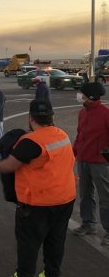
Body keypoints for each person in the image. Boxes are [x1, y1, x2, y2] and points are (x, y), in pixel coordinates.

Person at [0, 100, 76, 277]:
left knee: (28, 246)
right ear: (52, 117)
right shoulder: (62, 134)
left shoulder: (30, 142)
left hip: (38, 205)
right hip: (65, 199)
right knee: (55, 242)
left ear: (31, 118)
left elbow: (9, 166)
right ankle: (51, 273)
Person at [72, 82, 109, 246]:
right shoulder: (82, 113)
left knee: (105, 197)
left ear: (92, 97)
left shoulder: (105, 114)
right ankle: (88, 223)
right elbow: (80, 135)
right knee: (85, 194)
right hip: (83, 160)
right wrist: (74, 152)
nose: (80, 96)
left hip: (100, 163)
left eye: (83, 94)